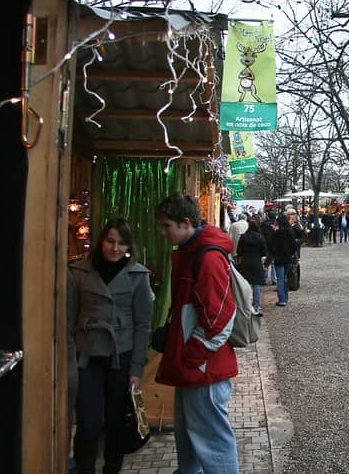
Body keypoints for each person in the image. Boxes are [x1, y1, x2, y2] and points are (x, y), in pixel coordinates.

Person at [155, 193, 239, 473]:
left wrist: (192, 354)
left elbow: (220, 318)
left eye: (166, 225)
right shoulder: (196, 252)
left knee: (212, 444)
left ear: (186, 222)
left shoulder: (207, 257)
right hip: (198, 366)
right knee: (192, 440)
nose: (162, 231)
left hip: (203, 368)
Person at [68, 218, 154, 474]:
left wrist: (137, 368)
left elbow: (142, 325)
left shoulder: (138, 276)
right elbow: (68, 319)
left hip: (122, 357)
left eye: (121, 243)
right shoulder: (78, 272)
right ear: (101, 241)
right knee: (89, 422)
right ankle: (84, 468)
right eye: (110, 241)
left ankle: (112, 468)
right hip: (87, 357)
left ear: (129, 246)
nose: (115, 248)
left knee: (116, 422)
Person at [266, 214, 298, 307]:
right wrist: (290, 254)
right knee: (284, 278)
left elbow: (270, 246)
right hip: (288, 258)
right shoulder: (290, 232)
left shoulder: (276, 233)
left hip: (279, 259)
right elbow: (294, 246)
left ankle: (282, 299)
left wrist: (275, 254)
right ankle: (285, 298)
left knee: (280, 279)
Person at [237, 220, 267, 313]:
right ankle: (256, 305)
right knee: (256, 284)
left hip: (245, 262)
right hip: (256, 262)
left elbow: (239, 251)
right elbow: (264, 252)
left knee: (245, 284)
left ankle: (246, 304)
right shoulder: (260, 238)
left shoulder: (243, 237)